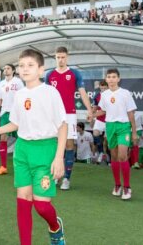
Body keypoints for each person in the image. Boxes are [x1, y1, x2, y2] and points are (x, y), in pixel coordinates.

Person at [0, 49, 67, 245]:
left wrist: (59, 158)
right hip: (23, 150)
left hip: (46, 150)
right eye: (22, 65)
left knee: (41, 206)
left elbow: (63, 126)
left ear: (41, 70)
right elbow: (15, 123)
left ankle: (55, 227)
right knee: (23, 201)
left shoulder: (50, 92)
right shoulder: (19, 94)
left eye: (30, 65)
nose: (25, 69)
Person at [44, 46, 93, 191]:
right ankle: (55, 175)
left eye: (63, 57)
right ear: (55, 57)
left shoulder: (74, 73)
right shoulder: (49, 74)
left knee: (69, 145)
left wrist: (89, 109)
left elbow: (83, 93)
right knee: (53, 145)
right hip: (53, 115)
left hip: (69, 114)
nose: (60, 59)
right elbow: (45, 95)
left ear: (67, 57)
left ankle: (66, 178)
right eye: (58, 57)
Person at [97, 68, 137, 200]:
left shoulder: (125, 93)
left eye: (114, 77)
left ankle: (127, 187)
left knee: (122, 156)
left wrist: (134, 132)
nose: (111, 79)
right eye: (109, 77)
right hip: (110, 127)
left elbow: (131, 113)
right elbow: (102, 111)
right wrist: (92, 115)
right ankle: (117, 185)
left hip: (123, 127)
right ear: (106, 79)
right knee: (113, 157)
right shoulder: (104, 95)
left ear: (118, 79)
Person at [0, 63, 24, 175]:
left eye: (8, 68)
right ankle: (3, 166)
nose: (5, 70)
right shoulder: (1, 84)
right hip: (5, 113)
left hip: (17, 113)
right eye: (4, 68)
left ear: (13, 70)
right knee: (3, 138)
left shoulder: (18, 82)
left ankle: (23, 164)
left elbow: (23, 97)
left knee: (22, 138)